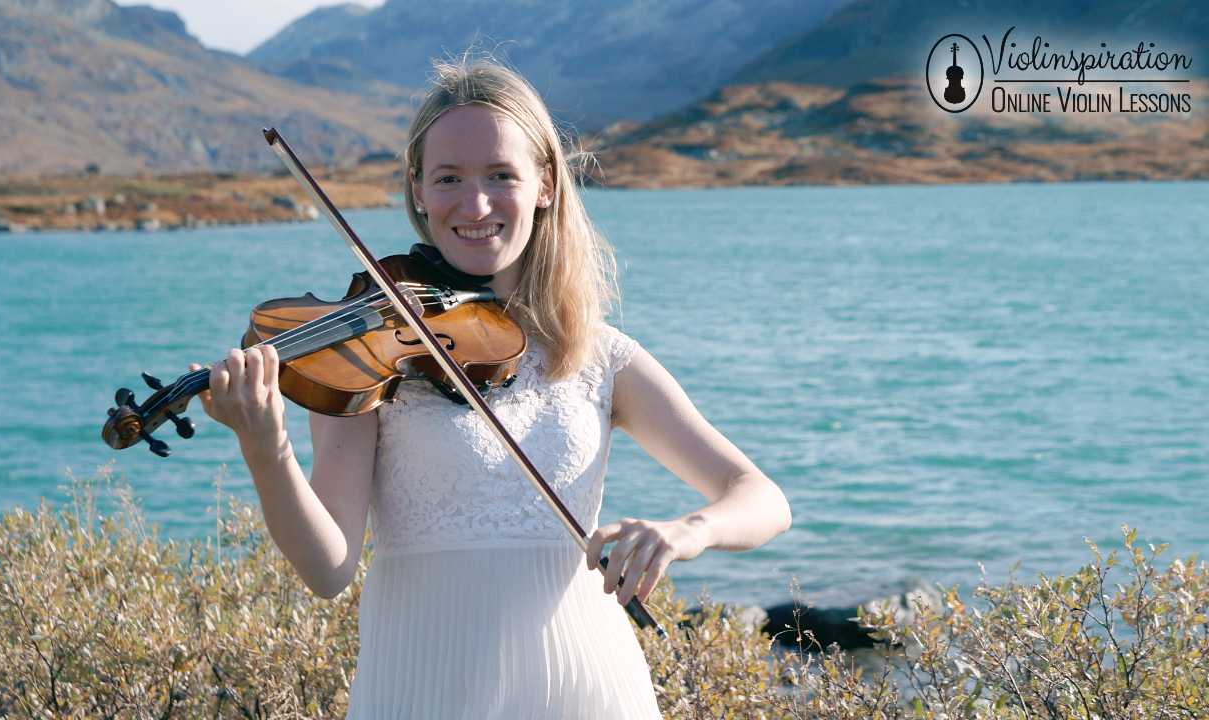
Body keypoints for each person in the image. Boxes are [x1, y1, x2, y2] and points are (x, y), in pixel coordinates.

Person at [193, 58, 792, 719]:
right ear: (418, 190)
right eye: (448, 178)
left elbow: (762, 499)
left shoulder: (597, 355)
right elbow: (328, 571)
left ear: (543, 184)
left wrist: (686, 533)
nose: (475, 205)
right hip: (423, 688)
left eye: (501, 176)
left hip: (586, 687)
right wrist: (265, 447)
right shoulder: (368, 357)